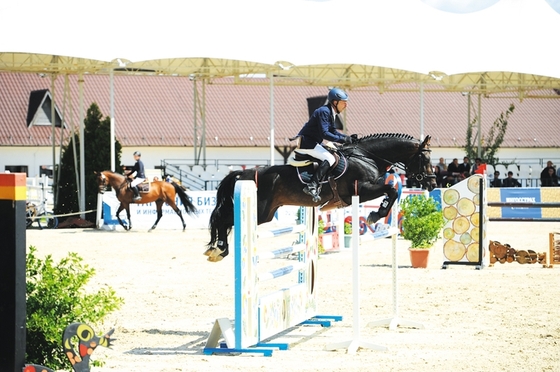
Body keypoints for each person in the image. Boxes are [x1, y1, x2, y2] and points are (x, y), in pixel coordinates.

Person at [295, 87, 357, 202]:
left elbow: (333, 131)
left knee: (334, 154)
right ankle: (312, 185)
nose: (346, 106)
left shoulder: (330, 112)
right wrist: (343, 140)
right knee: (330, 158)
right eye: (344, 103)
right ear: (335, 102)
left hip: (312, 142)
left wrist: (346, 137)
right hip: (307, 143)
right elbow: (325, 134)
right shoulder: (324, 111)